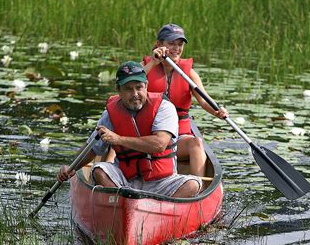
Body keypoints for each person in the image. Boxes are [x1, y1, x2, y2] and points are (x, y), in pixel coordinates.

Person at [57, 61, 201, 198]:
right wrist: (71, 168)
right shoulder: (110, 114)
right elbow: (92, 148)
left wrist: (119, 139)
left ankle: (155, 207)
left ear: (146, 85)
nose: (135, 94)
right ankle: (122, 202)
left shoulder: (164, 108)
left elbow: (159, 144)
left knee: (193, 184)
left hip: (162, 182)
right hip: (125, 180)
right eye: (128, 89)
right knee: (99, 170)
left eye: (139, 87)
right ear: (118, 90)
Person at [141, 23, 229, 177]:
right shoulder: (146, 67)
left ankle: (198, 189)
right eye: (171, 44)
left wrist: (217, 112)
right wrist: (153, 62)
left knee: (197, 143)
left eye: (180, 44)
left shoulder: (189, 73)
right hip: (148, 134)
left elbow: (203, 101)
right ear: (159, 45)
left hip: (178, 136)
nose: (176, 48)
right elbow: (129, 83)